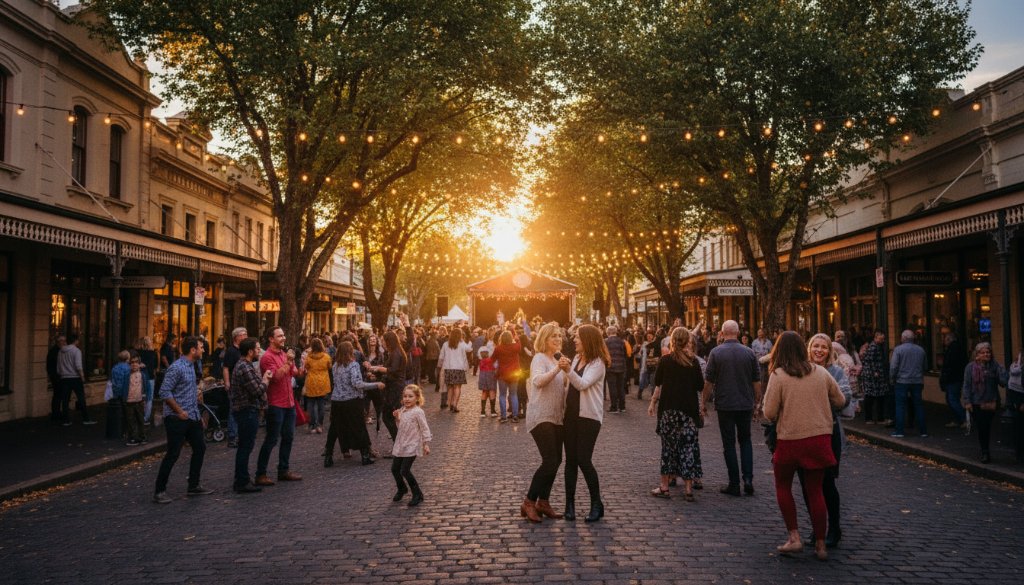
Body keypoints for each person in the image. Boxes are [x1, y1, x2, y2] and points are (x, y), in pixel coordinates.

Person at [762, 331, 846, 561]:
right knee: (816, 490)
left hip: (789, 440)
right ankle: (820, 544)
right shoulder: (820, 372)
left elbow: (768, 412)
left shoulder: (778, 375)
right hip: (819, 439)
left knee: (783, 486)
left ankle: (794, 537)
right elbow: (840, 400)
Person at [700, 320, 760, 496]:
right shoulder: (749, 353)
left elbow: (709, 381)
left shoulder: (716, 353)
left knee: (729, 444)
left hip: (725, 404)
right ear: (738, 332)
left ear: (722, 333)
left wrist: (703, 401)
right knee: (746, 441)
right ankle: (748, 479)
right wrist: (757, 401)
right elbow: (756, 380)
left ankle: (734, 483)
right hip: (745, 403)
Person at [806, 333, 852, 549]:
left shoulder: (836, 372)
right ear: (809, 348)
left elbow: (845, 397)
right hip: (805, 434)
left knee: (827, 483)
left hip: (828, 432)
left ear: (829, 351)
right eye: (815, 346)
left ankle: (834, 528)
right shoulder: (803, 370)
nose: (819, 350)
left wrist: (821, 403)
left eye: (823, 347)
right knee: (809, 485)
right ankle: (817, 528)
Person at [153, 337, 212, 503]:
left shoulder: (191, 366)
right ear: (193, 350)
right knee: (173, 453)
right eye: (201, 347)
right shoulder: (176, 367)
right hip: (176, 418)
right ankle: (159, 491)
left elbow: (187, 392)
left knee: (200, 448)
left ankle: (193, 485)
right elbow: (164, 392)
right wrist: (179, 411)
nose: (203, 350)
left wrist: (197, 414)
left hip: (191, 416)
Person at [648, 326, 704, 502]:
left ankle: (664, 486)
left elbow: (657, 382)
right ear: (688, 341)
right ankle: (688, 488)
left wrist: (653, 402)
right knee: (687, 447)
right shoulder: (693, 361)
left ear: (672, 341)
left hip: (669, 411)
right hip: (688, 411)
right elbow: (700, 386)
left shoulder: (665, 361)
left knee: (668, 448)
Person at [521, 322, 569, 523]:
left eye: (559, 336)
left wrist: (568, 372)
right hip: (541, 415)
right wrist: (558, 369)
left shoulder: (557, 359)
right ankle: (529, 502)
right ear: (544, 339)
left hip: (557, 416)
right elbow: (538, 381)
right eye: (553, 337)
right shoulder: (539, 359)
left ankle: (544, 501)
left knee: (556, 460)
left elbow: (564, 387)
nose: (558, 339)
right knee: (549, 460)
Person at [561, 324, 608, 522]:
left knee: (583, 459)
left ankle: (596, 503)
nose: (574, 340)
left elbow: (581, 384)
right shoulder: (577, 359)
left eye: (578, 337)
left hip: (589, 417)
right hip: (570, 415)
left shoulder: (598, 363)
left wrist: (567, 371)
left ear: (587, 340)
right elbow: (568, 384)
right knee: (570, 459)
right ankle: (569, 504)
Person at [255, 326, 301, 486]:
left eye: (283, 335)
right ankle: (260, 473)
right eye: (280, 336)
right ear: (271, 339)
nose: (283, 338)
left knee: (288, 437)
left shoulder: (284, 354)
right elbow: (275, 377)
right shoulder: (267, 357)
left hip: (289, 402)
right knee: (272, 439)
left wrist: (300, 367)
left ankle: (284, 469)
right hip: (276, 404)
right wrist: (288, 362)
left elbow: (294, 372)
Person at [325, 341, 383, 467]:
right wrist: (375, 385)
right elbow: (357, 384)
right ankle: (365, 456)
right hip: (351, 401)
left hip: (336, 401)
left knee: (334, 429)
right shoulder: (353, 365)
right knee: (359, 427)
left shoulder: (335, 366)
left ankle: (328, 456)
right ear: (351, 352)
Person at [230, 337, 273, 493]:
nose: (259, 351)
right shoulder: (244, 367)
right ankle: (242, 481)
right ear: (249, 351)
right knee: (245, 446)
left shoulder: (245, 366)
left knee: (246, 446)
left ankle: (242, 479)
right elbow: (257, 390)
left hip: (247, 410)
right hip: (247, 410)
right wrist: (266, 380)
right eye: (257, 348)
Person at [961, 342, 1008, 463]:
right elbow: (966, 385)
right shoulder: (970, 367)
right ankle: (984, 450)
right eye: (983, 352)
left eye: (988, 352)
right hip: (976, 402)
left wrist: (1001, 371)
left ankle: (985, 452)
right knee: (981, 427)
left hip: (991, 401)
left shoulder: (994, 366)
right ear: (977, 355)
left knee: (985, 426)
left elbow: (1003, 383)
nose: (986, 354)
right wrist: (967, 401)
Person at [391, 385, 432, 507]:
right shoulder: (402, 410)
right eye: (405, 396)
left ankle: (417, 494)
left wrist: (426, 444)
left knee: (405, 470)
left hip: (412, 445)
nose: (407, 399)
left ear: (417, 398)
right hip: (401, 444)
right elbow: (401, 428)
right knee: (394, 469)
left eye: (410, 396)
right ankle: (402, 488)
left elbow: (425, 428)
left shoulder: (418, 412)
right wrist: (398, 419)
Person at [889, 330, 928, 438]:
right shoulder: (921, 350)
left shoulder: (898, 350)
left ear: (903, 338)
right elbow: (925, 366)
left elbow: (893, 367)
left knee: (900, 406)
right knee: (918, 405)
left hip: (902, 381)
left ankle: (899, 431)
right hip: (917, 381)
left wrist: (892, 379)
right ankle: (923, 431)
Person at [57, 334, 95, 425]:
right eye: (78, 340)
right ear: (75, 341)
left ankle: (66, 420)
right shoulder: (76, 351)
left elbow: (58, 367)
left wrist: (61, 373)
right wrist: (82, 377)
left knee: (65, 400)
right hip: (75, 377)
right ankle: (86, 418)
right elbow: (78, 366)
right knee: (81, 398)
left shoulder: (61, 351)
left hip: (64, 378)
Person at [222, 327, 247, 447]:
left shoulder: (243, 350)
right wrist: (227, 382)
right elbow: (226, 367)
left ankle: (239, 435)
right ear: (236, 337)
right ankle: (232, 437)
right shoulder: (231, 351)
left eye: (246, 334)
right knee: (233, 410)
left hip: (243, 385)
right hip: (234, 384)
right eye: (243, 335)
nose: (245, 337)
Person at [301, 338, 332, 434]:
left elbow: (306, 367)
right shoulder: (326, 357)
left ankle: (312, 425)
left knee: (310, 404)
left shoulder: (309, 357)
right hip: (323, 382)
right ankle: (320, 425)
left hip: (311, 381)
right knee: (321, 404)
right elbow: (329, 367)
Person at [859, 330, 889, 425]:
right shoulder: (874, 347)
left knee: (872, 396)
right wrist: (875, 371)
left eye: (883, 339)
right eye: (881, 339)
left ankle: (871, 418)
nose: (883, 340)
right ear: (876, 338)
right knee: (874, 397)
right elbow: (870, 360)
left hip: (872, 375)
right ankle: (875, 418)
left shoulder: (875, 346)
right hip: (874, 376)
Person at [439, 328, 472, 413]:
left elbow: (441, 356)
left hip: (448, 368)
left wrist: (439, 367)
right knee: (457, 387)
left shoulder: (446, 344)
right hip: (459, 368)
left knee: (450, 387)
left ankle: (450, 404)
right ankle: (454, 404)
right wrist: (465, 341)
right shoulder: (461, 344)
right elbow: (469, 349)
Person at [939, 331, 968, 428]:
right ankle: (958, 419)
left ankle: (964, 419)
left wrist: (946, 376)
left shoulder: (953, 350)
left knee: (952, 399)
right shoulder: (957, 348)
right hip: (955, 378)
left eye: (945, 339)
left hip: (953, 379)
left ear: (949, 339)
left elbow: (950, 365)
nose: (943, 341)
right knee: (951, 399)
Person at [492, 331, 522, 423]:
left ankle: (504, 417)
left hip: (502, 374)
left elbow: (492, 359)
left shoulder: (498, 348)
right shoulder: (516, 347)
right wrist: (515, 336)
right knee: (514, 394)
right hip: (514, 374)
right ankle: (515, 416)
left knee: (502, 395)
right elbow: (518, 341)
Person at [123, 354, 148, 445]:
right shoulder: (127, 375)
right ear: (129, 364)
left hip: (139, 401)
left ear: (139, 364)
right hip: (129, 401)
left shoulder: (143, 375)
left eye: (136, 362)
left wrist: (145, 399)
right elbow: (124, 387)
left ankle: (143, 437)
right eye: (132, 363)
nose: (134, 364)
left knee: (140, 420)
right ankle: (133, 438)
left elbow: (146, 388)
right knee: (130, 421)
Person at [604, 326, 628, 414]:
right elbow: (625, 354)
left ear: (608, 333)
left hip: (610, 367)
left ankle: (614, 407)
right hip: (621, 367)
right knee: (620, 387)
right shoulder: (621, 341)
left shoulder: (606, 342)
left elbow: (604, 355)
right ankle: (622, 406)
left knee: (612, 387)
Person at [136, 337, 159, 425]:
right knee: (149, 398)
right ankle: (146, 418)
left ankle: (139, 416)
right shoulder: (153, 353)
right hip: (150, 377)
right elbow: (155, 366)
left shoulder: (138, 353)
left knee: (139, 396)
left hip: (139, 377)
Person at [1008, 349, 1024, 463]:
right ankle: (1019, 454)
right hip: (1016, 400)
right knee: (1018, 428)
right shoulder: (1014, 367)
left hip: (1020, 400)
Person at [47, 335, 66, 422]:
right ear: (59, 342)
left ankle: (57, 413)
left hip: (56, 376)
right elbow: (54, 365)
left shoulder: (56, 351)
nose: (65, 343)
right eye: (63, 341)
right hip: (57, 376)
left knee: (58, 395)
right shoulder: (56, 352)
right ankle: (56, 414)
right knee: (58, 396)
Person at [477, 349, 498, 417]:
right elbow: (496, 366)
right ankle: (493, 411)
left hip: (483, 376)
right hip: (491, 375)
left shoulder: (481, 361)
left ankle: (482, 411)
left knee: (484, 392)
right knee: (492, 391)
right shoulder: (491, 360)